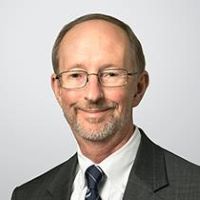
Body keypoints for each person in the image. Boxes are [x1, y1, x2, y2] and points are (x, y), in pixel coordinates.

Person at [11, 13, 200, 200]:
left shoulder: (194, 189)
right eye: (76, 75)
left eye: (111, 74)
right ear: (58, 89)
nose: (93, 95)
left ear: (139, 88)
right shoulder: (27, 195)